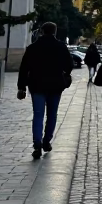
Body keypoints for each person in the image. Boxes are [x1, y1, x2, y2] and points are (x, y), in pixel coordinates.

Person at [16, 22, 74, 159]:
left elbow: (24, 68)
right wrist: (64, 74)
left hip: (37, 85)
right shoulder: (61, 47)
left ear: (42, 31)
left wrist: (21, 87)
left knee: (38, 115)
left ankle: (37, 144)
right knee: (52, 114)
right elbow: (69, 65)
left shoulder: (33, 47)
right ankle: (46, 141)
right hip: (55, 85)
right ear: (55, 31)